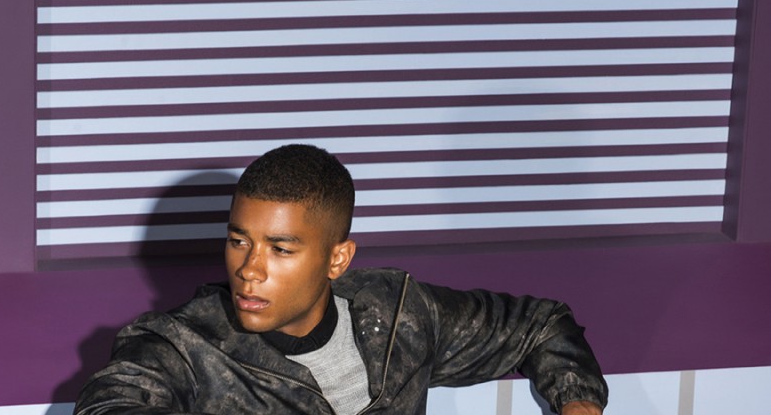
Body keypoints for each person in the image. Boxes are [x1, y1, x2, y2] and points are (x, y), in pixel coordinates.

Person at [74, 144, 608, 415]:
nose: (249, 269)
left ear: (337, 259)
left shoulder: (400, 314)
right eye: (239, 241)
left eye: (280, 249)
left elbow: (541, 325)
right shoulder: (185, 346)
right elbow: (114, 400)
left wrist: (578, 403)